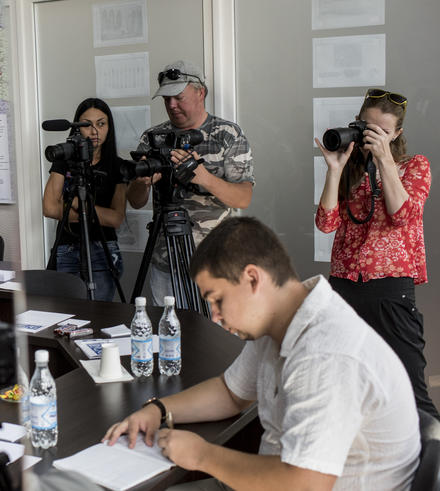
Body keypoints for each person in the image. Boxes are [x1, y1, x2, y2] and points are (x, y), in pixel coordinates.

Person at [103, 217, 420, 491]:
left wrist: (202, 455)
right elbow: (231, 393)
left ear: (253, 279)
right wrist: (157, 409)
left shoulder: (325, 353)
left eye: (217, 300)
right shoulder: (280, 321)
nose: (214, 316)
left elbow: (306, 484)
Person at [315, 88, 437, 419]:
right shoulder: (350, 166)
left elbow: (402, 215)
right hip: (343, 287)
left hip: (389, 289)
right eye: (367, 127)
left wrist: (384, 160)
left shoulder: (415, 166)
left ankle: (430, 451)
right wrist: (334, 170)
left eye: (382, 131)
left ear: (397, 133)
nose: (372, 136)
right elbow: (326, 223)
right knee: (344, 386)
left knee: (411, 392)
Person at [126, 60, 254, 305]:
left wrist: (203, 176)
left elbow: (243, 198)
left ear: (200, 92)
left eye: (178, 97)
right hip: (166, 262)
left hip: (216, 264)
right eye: (166, 99)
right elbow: (135, 201)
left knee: (214, 331)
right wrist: (142, 183)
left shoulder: (227, 134)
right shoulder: (153, 138)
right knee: (168, 328)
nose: (172, 105)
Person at [42, 98, 126, 301]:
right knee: (67, 314)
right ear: (77, 128)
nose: (94, 131)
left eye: (101, 124)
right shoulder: (64, 161)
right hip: (66, 248)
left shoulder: (117, 166)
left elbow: (116, 218)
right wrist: (95, 215)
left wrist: (76, 203)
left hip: (103, 249)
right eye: (87, 125)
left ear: (109, 127)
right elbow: (50, 208)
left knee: (99, 314)